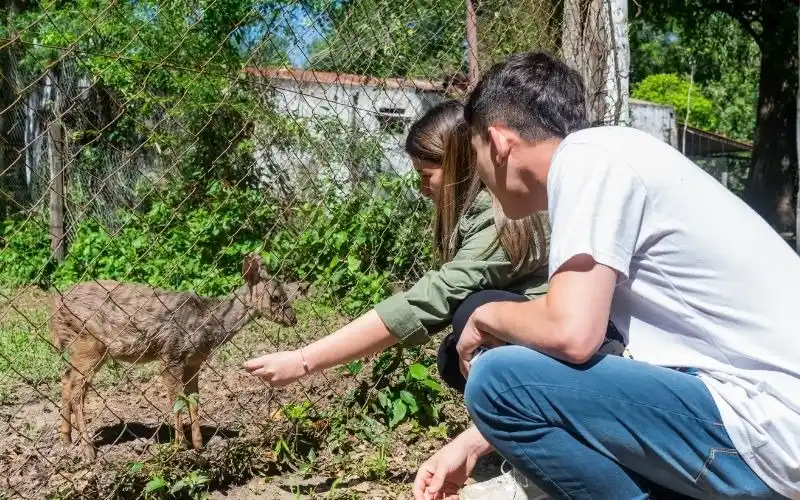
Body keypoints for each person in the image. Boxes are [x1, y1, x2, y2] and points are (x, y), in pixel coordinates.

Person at [413, 51, 800, 500]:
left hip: (768, 427)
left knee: (497, 380)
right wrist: (476, 441)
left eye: (475, 153)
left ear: (497, 143)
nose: (480, 176)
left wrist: (484, 319)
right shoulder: (612, 155)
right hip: (768, 420)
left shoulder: (587, 161)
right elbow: (617, 369)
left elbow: (572, 335)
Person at [245, 99, 626, 497]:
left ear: (461, 163)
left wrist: (304, 361)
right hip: (571, 350)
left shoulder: (504, 222)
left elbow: (425, 301)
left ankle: (544, 454)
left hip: (595, 356)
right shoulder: (485, 211)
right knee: (453, 353)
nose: (421, 187)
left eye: (427, 174)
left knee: (471, 315)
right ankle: (516, 439)